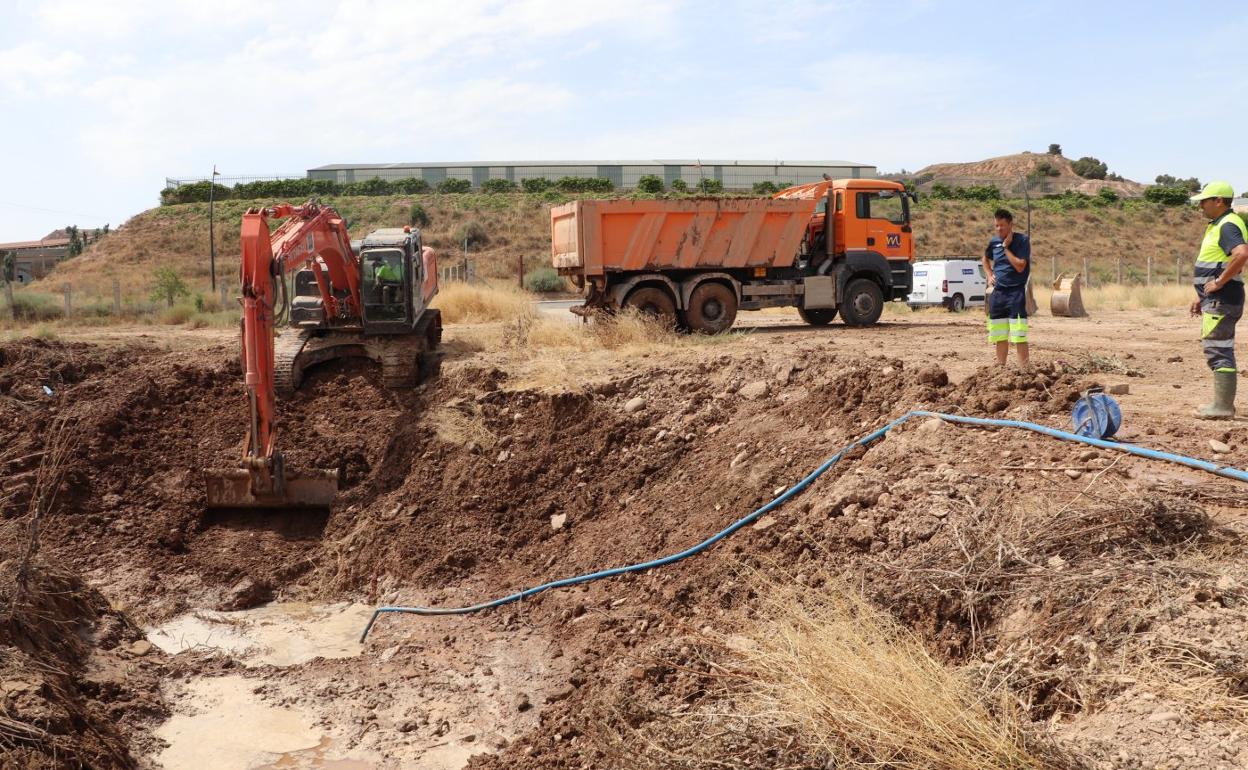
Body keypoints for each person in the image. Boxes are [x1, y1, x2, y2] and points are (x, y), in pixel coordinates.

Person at [1188, 181, 1248, 419]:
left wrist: (1219, 283)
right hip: (1216, 298)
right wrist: (1200, 295)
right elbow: (1215, 264)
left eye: (1204, 201)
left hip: (1223, 298)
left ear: (1218, 201)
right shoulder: (1219, 225)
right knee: (1218, 348)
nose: (1200, 206)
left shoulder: (1228, 225)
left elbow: (1241, 254)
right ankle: (1222, 405)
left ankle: (1222, 408)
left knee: (1218, 350)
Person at [982, 208, 1031, 368]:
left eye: (1002, 225)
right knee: (999, 334)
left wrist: (1005, 248)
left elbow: (1020, 266)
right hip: (998, 294)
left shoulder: (1022, 240)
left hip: (1015, 293)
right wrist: (989, 275)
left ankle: (1025, 371)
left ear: (1010, 224)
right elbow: (985, 259)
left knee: (1018, 335)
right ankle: (1000, 369)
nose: (999, 229)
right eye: (996, 225)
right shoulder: (993, 242)